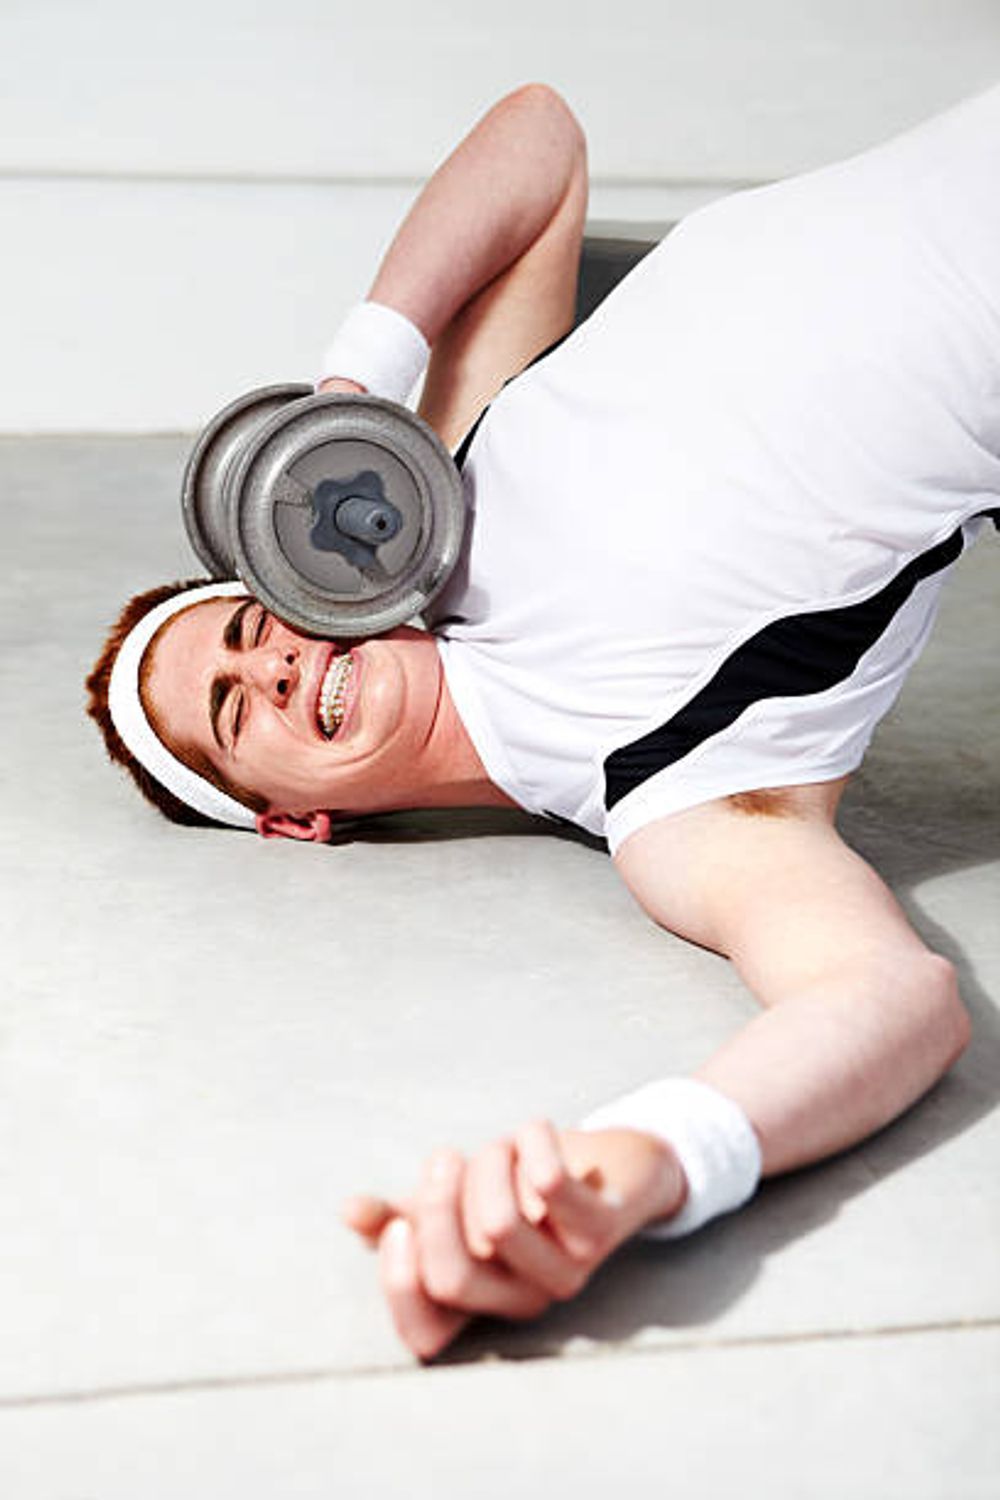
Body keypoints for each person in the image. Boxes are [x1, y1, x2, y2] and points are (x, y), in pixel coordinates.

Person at [86, 82, 997, 1361]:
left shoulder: (453, 464)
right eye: (238, 715)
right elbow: (888, 999)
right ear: (294, 818)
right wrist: (640, 1161)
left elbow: (537, 135)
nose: (278, 671)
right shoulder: (667, 790)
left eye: (249, 630)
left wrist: (363, 380)